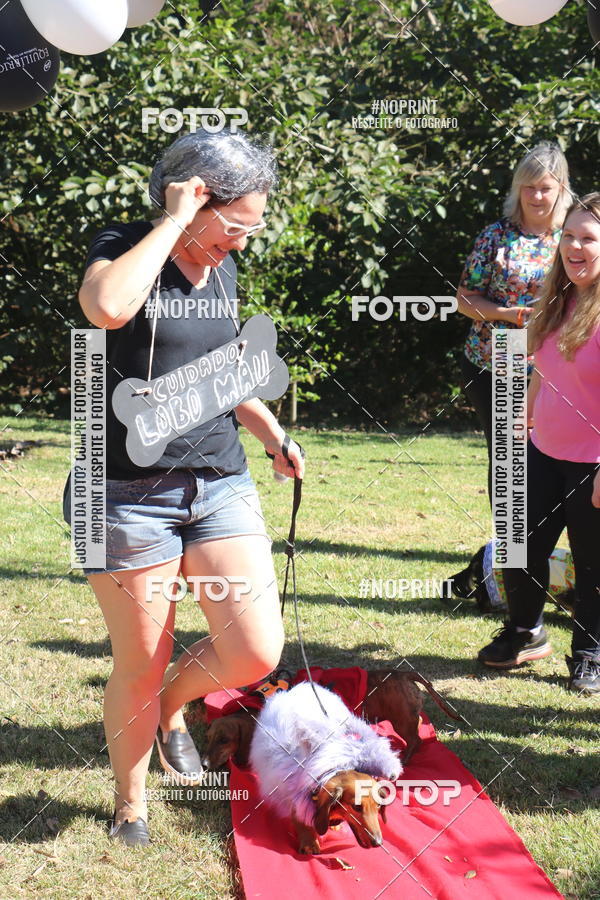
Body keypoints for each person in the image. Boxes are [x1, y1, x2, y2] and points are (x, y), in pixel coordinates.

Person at [65, 129, 305, 846]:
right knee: (139, 660)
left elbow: (226, 368)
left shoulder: (222, 270)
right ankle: (130, 804)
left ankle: (172, 705)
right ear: (193, 198)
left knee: (256, 650)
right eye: (233, 226)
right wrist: (170, 225)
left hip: (219, 480)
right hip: (127, 492)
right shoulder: (125, 242)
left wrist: (270, 435)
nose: (239, 244)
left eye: (249, 231)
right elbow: (105, 308)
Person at [477, 192, 600, 694]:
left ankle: (590, 653)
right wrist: (525, 409)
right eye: (568, 235)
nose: (574, 246)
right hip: (541, 449)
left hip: (593, 461)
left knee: (592, 561)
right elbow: (542, 369)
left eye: (588, 238)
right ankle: (524, 632)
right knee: (518, 547)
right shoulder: (554, 299)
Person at [457, 141, 571, 503]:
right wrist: (509, 315)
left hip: (561, 361)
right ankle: (511, 548)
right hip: (501, 355)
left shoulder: (572, 236)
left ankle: (550, 549)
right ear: (517, 188)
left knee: (559, 457)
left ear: (562, 189)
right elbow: (464, 299)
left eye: (546, 187)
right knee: (509, 457)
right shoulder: (496, 236)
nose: (537, 195)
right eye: (529, 186)